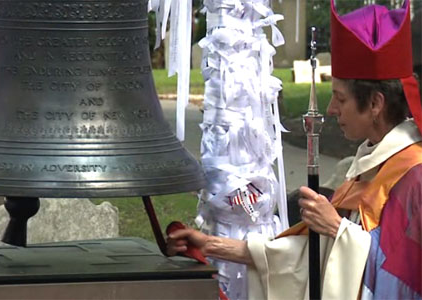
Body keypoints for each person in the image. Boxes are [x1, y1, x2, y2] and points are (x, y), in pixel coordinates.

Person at [167, 0, 422, 299]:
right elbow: (305, 257)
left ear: (376, 104)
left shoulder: (413, 177)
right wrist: (210, 245)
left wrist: (338, 229)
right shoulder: (371, 166)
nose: (330, 109)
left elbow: (405, 278)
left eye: (340, 98)